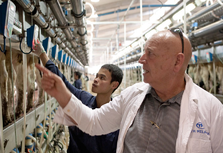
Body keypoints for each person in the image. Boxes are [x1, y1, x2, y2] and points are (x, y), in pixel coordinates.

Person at [36, 29, 223, 153]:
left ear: (177, 61)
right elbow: (93, 122)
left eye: (150, 53)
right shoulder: (132, 95)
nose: (141, 59)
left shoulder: (212, 110)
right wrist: (62, 94)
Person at [33, 41, 124, 153]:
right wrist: (42, 54)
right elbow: (63, 82)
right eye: (96, 76)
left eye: (102, 78)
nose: (95, 79)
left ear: (114, 85)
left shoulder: (116, 119)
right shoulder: (83, 98)